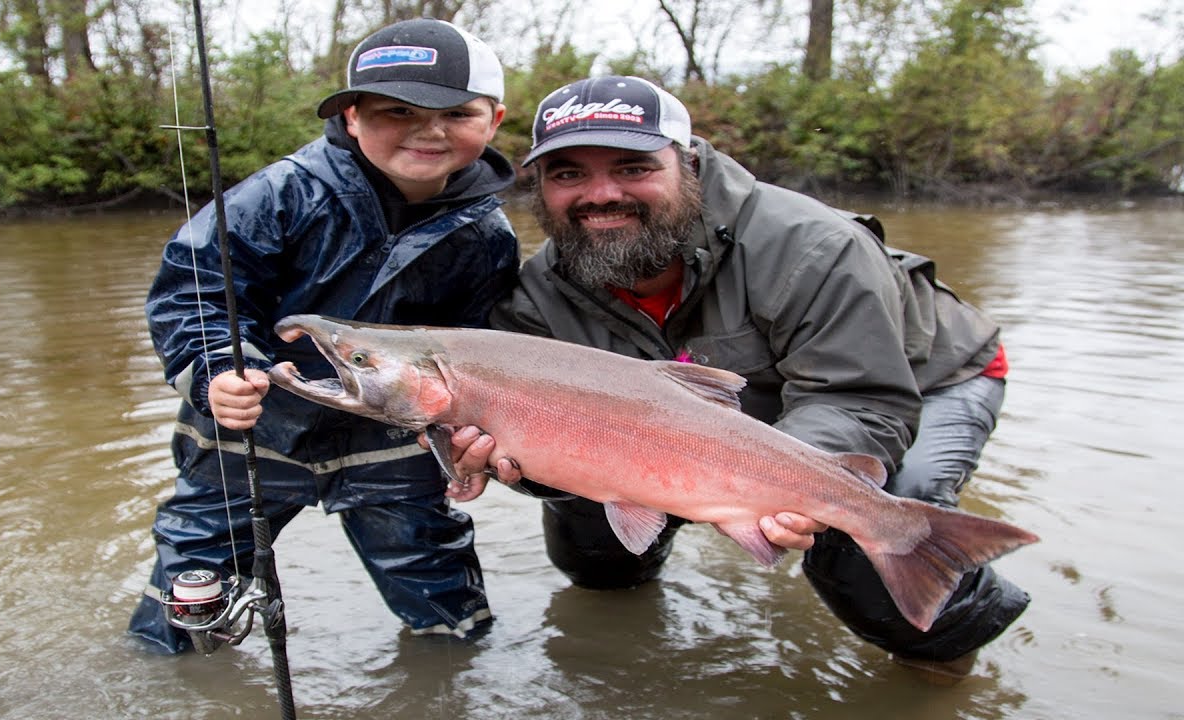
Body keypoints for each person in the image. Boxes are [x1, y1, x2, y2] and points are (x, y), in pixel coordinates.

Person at [441, 75, 1029, 679]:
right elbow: (552, 434)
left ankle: (947, 666)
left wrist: (793, 491)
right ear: (539, 187)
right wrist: (522, 466)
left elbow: (858, 398)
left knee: (863, 535)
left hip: (925, 377)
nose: (602, 193)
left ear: (688, 163)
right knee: (590, 539)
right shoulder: (535, 299)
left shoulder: (814, 246)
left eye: (634, 166)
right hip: (714, 408)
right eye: (568, 174)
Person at [128, 18, 516, 654]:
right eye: (397, 110)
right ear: (354, 117)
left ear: (493, 120)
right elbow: (192, 293)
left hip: (392, 442)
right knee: (185, 610)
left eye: (456, 111)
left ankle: (454, 678)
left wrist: (463, 449)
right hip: (249, 435)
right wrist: (217, 371)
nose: (429, 128)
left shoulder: (489, 236)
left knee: (448, 608)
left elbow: (475, 356)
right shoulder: (281, 193)